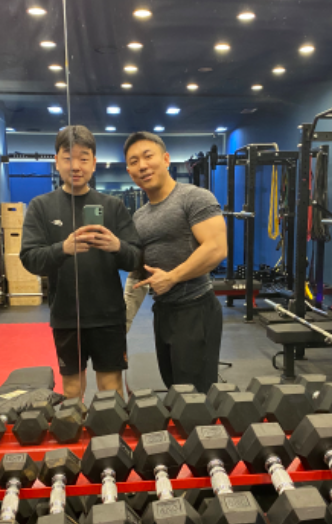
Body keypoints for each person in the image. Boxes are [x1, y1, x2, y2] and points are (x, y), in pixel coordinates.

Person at [20, 125, 141, 398]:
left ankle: (110, 430)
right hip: (66, 316)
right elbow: (30, 259)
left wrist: (117, 246)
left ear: (94, 163)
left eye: (83, 158)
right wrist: (62, 249)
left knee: (111, 388)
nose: (75, 166)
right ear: (57, 161)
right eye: (68, 158)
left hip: (108, 316)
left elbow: (136, 258)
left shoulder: (113, 206)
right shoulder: (41, 206)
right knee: (72, 390)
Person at [123, 131, 227, 393]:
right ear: (129, 171)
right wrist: (123, 323)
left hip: (195, 308)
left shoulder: (194, 197)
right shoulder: (139, 216)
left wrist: (172, 277)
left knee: (194, 395)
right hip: (163, 312)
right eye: (134, 161)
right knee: (173, 388)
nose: (142, 166)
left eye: (148, 156)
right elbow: (138, 273)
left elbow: (216, 248)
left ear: (166, 159)